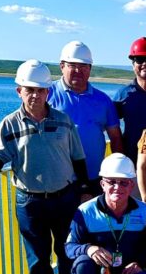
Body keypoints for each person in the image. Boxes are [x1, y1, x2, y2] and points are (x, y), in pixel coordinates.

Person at [0, 60, 90, 274]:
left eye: (41, 90)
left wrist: (84, 189)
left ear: (48, 92)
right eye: (30, 90)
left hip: (64, 196)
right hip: (30, 200)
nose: (35, 95)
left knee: (67, 250)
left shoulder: (62, 120)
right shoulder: (9, 124)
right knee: (37, 255)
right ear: (19, 91)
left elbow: (78, 157)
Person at [48, 40, 123, 193]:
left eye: (83, 66)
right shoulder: (46, 94)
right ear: (62, 66)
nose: (78, 70)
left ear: (90, 69)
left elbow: (115, 137)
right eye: (72, 65)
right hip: (57, 182)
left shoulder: (103, 100)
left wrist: (117, 172)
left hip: (94, 179)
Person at [113, 37, 146, 163]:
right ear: (133, 65)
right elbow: (110, 126)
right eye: (140, 60)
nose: (145, 64)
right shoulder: (123, 94)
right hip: (130, 159)